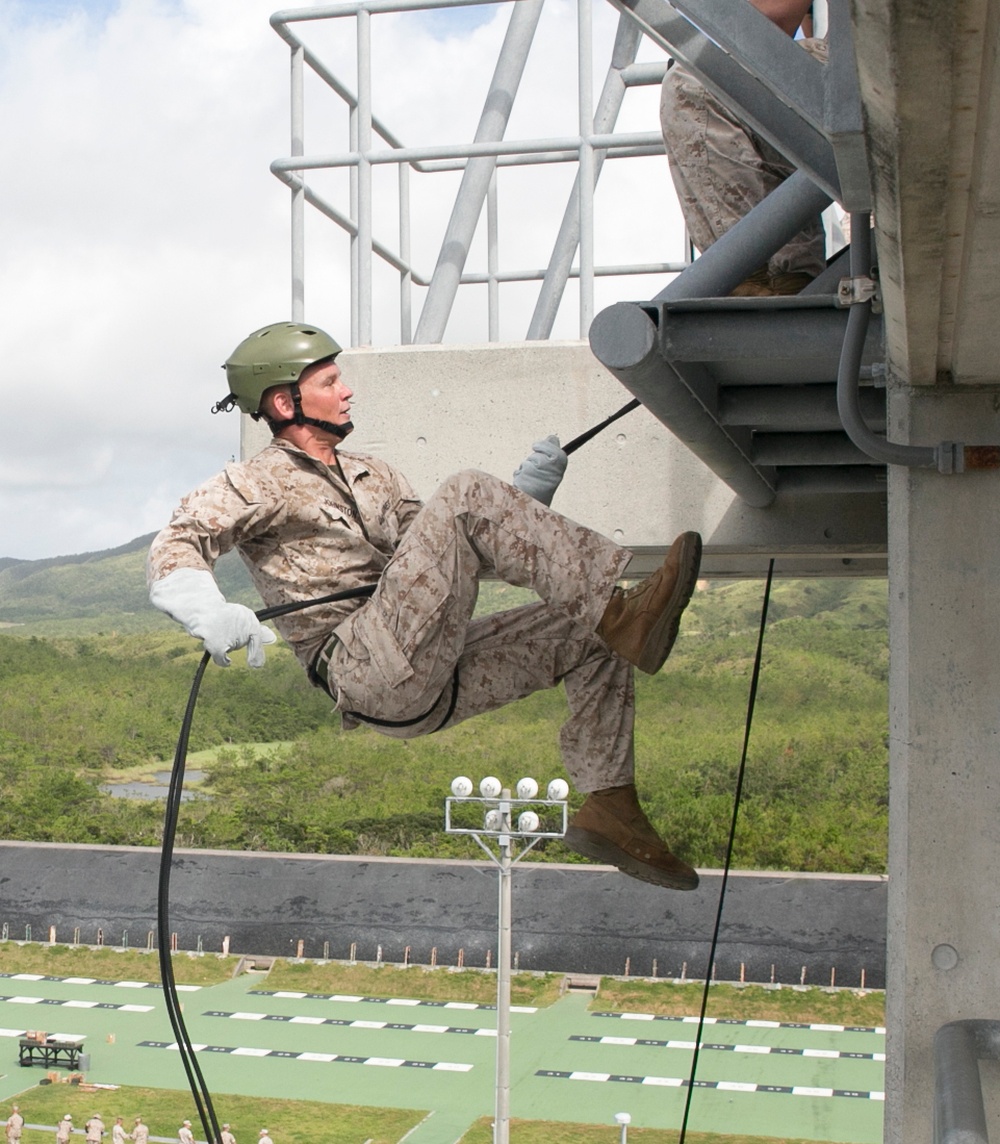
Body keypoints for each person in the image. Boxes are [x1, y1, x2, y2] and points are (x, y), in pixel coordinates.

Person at [148, 322, 703, 890]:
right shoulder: (255, 483)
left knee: (589, 633)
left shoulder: (377, 475)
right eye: (330, 382)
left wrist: (521, 504)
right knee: (466, 492)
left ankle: (613, 808)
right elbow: (178, 540)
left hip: (427, 668)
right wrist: (205, 609)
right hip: (363, 665)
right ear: (286, 403)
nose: (347, 391)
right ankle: (623, 614)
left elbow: (443, 556)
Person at [660, 0, 827, 296]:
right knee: (755, 108)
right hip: (874, 74)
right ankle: (784, 276)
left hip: (878, 75)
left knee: (698, 83)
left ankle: (750, 273)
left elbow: (772, 19)